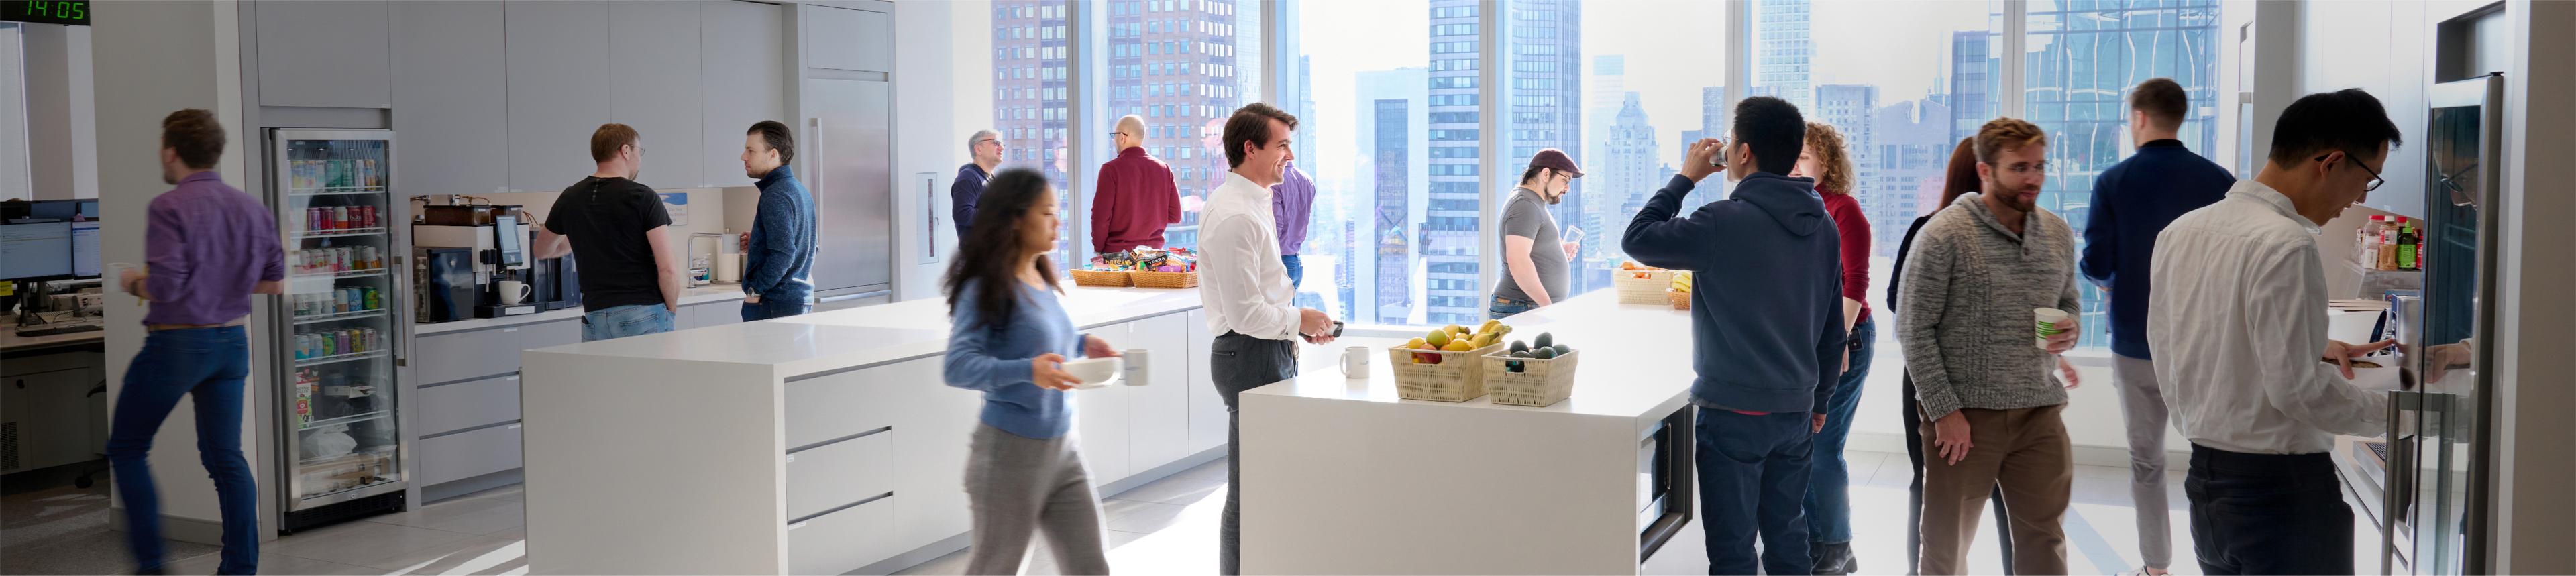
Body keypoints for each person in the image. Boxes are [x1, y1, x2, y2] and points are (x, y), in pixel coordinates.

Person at [2147, 89, 2403, 575]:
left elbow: (2181, 347)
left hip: (2206, 487)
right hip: (2282, 494)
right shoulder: (2286, 244)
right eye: (2367, 180)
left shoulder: (2180, 231)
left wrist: (2313, 345)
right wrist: (2398, 417)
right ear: (2329, 162)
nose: (2358, 201)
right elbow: (2300, 393)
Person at [1622, 96, 1845, 576]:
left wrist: (1686, 177)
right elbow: (1833, 326)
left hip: (1734, 415)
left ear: (1741, 153)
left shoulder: (1721, 221)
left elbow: (1637, 237)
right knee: (1788, 537)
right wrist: (1821, 399)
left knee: (1733, 550)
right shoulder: (1823, 224)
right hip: (1796, 412)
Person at [1896, 117, 2082, 575]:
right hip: (1965, 421)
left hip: (2039, 412)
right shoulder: (1943, 235)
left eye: (2039, 166)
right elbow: (1913, 327)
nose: (2033, 177)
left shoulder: (2057, 233)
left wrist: (2070, 330)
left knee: (2045, 539)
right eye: (2020, 167)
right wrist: (1944, 411)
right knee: (1945, 548)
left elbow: (2068, 302)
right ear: (1985, 171)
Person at [108, 109, 281, 576]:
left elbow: (164, 286)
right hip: (230, 345)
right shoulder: (251, 207)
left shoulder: (168, 207)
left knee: (126, 447)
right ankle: (240, 568)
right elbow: (273, 283)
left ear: (172, 151)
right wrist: (220, 281)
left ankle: (152, 568)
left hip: (177, 346)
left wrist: (130, 281)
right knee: (226, 458)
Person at [2077, 78, 2235, 576]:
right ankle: (2220, 561)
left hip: (2136, 342)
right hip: (2205, 344)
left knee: (2146, 462)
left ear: (2139, 118)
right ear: (2180, 117)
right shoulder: (2220, 181)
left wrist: (2108, 279)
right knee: (2216, 459)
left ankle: (2156, 568)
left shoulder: (2114, 181)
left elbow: (2098, 262)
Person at [941, 167, 1120, 576]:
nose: (1058, 222)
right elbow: (957, 366)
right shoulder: (985, 287)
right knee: (996, 569)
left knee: (1092, 568)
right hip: (1009, 456)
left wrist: (1082, 344)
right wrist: (1027, 371)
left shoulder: (1040, 277)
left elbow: (1046, 341)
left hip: (1063, 451)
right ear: (1016, 219)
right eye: (1047, 213)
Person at [1199, 102, 1336, 575]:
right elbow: (1245, 312)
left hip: (1262, 348)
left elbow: (1259, 299)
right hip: (1250, 353)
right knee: (1248, 493)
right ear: (1250, 148)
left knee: (1265, 484)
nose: (1290, 155)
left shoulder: (1251, 202)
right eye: (1281, 145)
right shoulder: (1235, 214)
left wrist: (1296, 326)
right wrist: (1297, 320)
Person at [1892, 137, 2023, 575]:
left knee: (1928, 485)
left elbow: (1898, 302)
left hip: (1929, 379)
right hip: (1999, 381)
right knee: (2009, 491)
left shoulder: (1925, 229)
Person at [1788, 121, 1870, 575]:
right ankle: (1816, 541)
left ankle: (1836, 547)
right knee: (1802, 446)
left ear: (1827, 161)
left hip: (1847, 338)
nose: (1798, 164)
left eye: (1806, 156)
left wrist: (1834, 338)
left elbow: (1855, 282)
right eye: (1793, 156)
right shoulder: (1794, 207)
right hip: (1806, 341)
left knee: (1823, 448)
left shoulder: (1844, 209)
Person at [532, 123, 684, 341]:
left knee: (603, 377)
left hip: (595, 316)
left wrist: (583, 235)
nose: (639, 159)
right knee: (648, 377)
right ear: (625, 150)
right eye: (638, 151)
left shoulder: (571, 197)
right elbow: (668, 268)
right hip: (643, 313)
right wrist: (671, 311)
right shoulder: (643, 196)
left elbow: (542, 250)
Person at [1491, 148, 1585, 319]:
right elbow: (1518, 261)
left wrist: (1557, 251)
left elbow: (1528, 250)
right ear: (1546, 174)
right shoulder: (1525, 205)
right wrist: (1547, 308)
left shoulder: (1531, 202)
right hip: (1523, 306)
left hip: (1527, 306)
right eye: (1565, 180)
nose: (1567, 188)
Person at [737, 120, 816, 321]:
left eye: (751, 151)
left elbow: (784, 253)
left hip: (774, 303)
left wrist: (755, 292)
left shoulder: (775, 194)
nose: (743, 157)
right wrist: (760, 239)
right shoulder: (799, 190)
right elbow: (811, 246)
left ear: (773, 154)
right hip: (797, 300)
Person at [1092, 115, 1182, 255]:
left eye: (1114, 136)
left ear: (1122, 137)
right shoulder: (1164, 169)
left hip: (1117, 257)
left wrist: (1099, 249)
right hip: (1154, 258)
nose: (1114, 140)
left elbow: (1100, 217)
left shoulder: (1110, 170)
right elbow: (1175, 216)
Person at [953, 129, 1004, 241]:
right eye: (996, 143)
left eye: (1002, 144)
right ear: (978, 149)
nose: (1002, 148)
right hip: (979, 256)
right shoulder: (968, 178)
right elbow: (963, 214)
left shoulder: (989, 179)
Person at [1273, 160, 1316, 288]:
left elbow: (1276, 225)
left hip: (1280, 263)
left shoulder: (1276, 182)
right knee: (1288, 309)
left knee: (1273, 309)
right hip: (1296, 263)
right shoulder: (1307, 180)